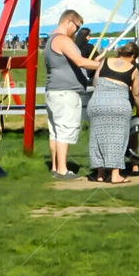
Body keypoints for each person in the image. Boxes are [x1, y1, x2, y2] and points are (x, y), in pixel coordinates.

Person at [43, 10, 101, 179]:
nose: (76, 31)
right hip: (65, 93)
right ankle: (62, 169)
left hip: (54, 92)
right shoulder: (62, 39)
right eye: (76, 26)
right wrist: (102, 65)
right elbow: (80, 61)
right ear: (69, 22)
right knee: (64, 130)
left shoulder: (50, 40)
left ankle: (55, 167)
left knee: (55, 131)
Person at [87, 42, 139, 184]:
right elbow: (136, 94)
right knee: (117, 139)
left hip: (97, 103)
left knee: (97, 138)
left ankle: (100, 174)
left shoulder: (105, 61)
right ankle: (115, 175)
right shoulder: (133, 69)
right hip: (118, 105)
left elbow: (95, 82)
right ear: (133, 56)